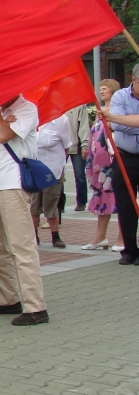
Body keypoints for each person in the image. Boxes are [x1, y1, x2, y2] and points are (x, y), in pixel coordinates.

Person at [0, 94, 49, 325]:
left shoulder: (27, 109)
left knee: (21, 245)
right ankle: (7, 298)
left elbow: (6, 136)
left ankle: (35, 306)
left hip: (14, 183)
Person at [103, 63, 139, 265]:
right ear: (134, 80)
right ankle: (129, 249)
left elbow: (116, 121)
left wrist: (123, 120)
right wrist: (124, 121)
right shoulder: (120, 96)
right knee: (125, 205)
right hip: (125, 156)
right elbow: (116, 125)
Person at [84, 80, 124, 250]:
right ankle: (100, 237)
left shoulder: (118, 112)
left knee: (121, 199)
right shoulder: (100, 112)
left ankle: (123, 238)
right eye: (99, 88)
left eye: (104, 88)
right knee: (101, 198)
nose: (101, 91)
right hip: (100, 166)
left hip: (114, 162)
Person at [32, 114, 71, 249]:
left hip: (53, 170)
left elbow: (66, 147)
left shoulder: (62, 120)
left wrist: (60, 164)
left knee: (51, 203)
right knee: (33, 205)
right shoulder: (31, 116)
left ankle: (55, 236)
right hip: (34, 170)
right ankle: (34, 235)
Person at [66, 104, 92, 212]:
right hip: (60, 145)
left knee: (80, 175)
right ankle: (59, 205)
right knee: (58, 177)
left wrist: (85, 145)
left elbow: (84, 126)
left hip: (76, 145)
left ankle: (81, 202)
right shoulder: (57, 101)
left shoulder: (79, 105)